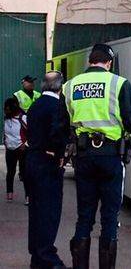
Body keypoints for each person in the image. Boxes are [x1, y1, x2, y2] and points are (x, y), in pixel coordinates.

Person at [65, 44, 131, 269]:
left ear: (90, 61)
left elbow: (64, 122)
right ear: (109, 63)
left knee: (84, 216)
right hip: (110, 157)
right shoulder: (119, 84)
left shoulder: (70, 86)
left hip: (83, 157)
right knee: (109, 218)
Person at [24, 71, 70, 269]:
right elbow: (58, 134)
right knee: (49, 212)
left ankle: (36, 256)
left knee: (35, 211)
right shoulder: (58, 106)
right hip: (47, 163)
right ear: (60, 86)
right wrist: (59, 156)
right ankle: (48, 258)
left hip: (31, 161)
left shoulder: (35, 105)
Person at [4, 96, 28, 203]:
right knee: (10, 172)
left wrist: (26, 144)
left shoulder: (23, 118)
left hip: (21, 149)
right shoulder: (6, 118)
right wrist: (5, 142)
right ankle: (9, 194)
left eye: (8, 108)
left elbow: (32, 132)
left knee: (25, 173)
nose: (6, 110)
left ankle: (28, 196)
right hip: (10, 149)